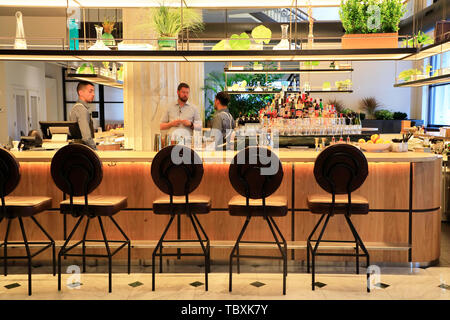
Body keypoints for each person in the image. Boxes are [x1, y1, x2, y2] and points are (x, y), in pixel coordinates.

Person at [69, 81, 96, 149]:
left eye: (93, 91)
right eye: (90, 91)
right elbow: (86, 138)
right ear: (80, 93)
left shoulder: (76, 107)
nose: (93, 94)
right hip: (82, 149)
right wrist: (96, 151)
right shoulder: (81, 109)